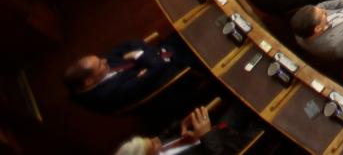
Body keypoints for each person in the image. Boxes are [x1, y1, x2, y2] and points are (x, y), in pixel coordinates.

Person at [64, 38, 191, 115]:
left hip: (159, 55)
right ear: (89, 81)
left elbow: (130, 43)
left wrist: (145, 60)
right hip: (170, 73)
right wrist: (137, 55)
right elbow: (158, 66)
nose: (104, 60)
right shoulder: (111, 94)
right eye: (99, 65)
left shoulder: (98, 70)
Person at [113, 104, 257, 155]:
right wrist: (206, 134)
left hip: (220, 130)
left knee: (246, 98)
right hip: (237, 147)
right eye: (154, 145)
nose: (157, 141)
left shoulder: (156, 145)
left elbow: (167, 133)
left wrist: (182, 125)